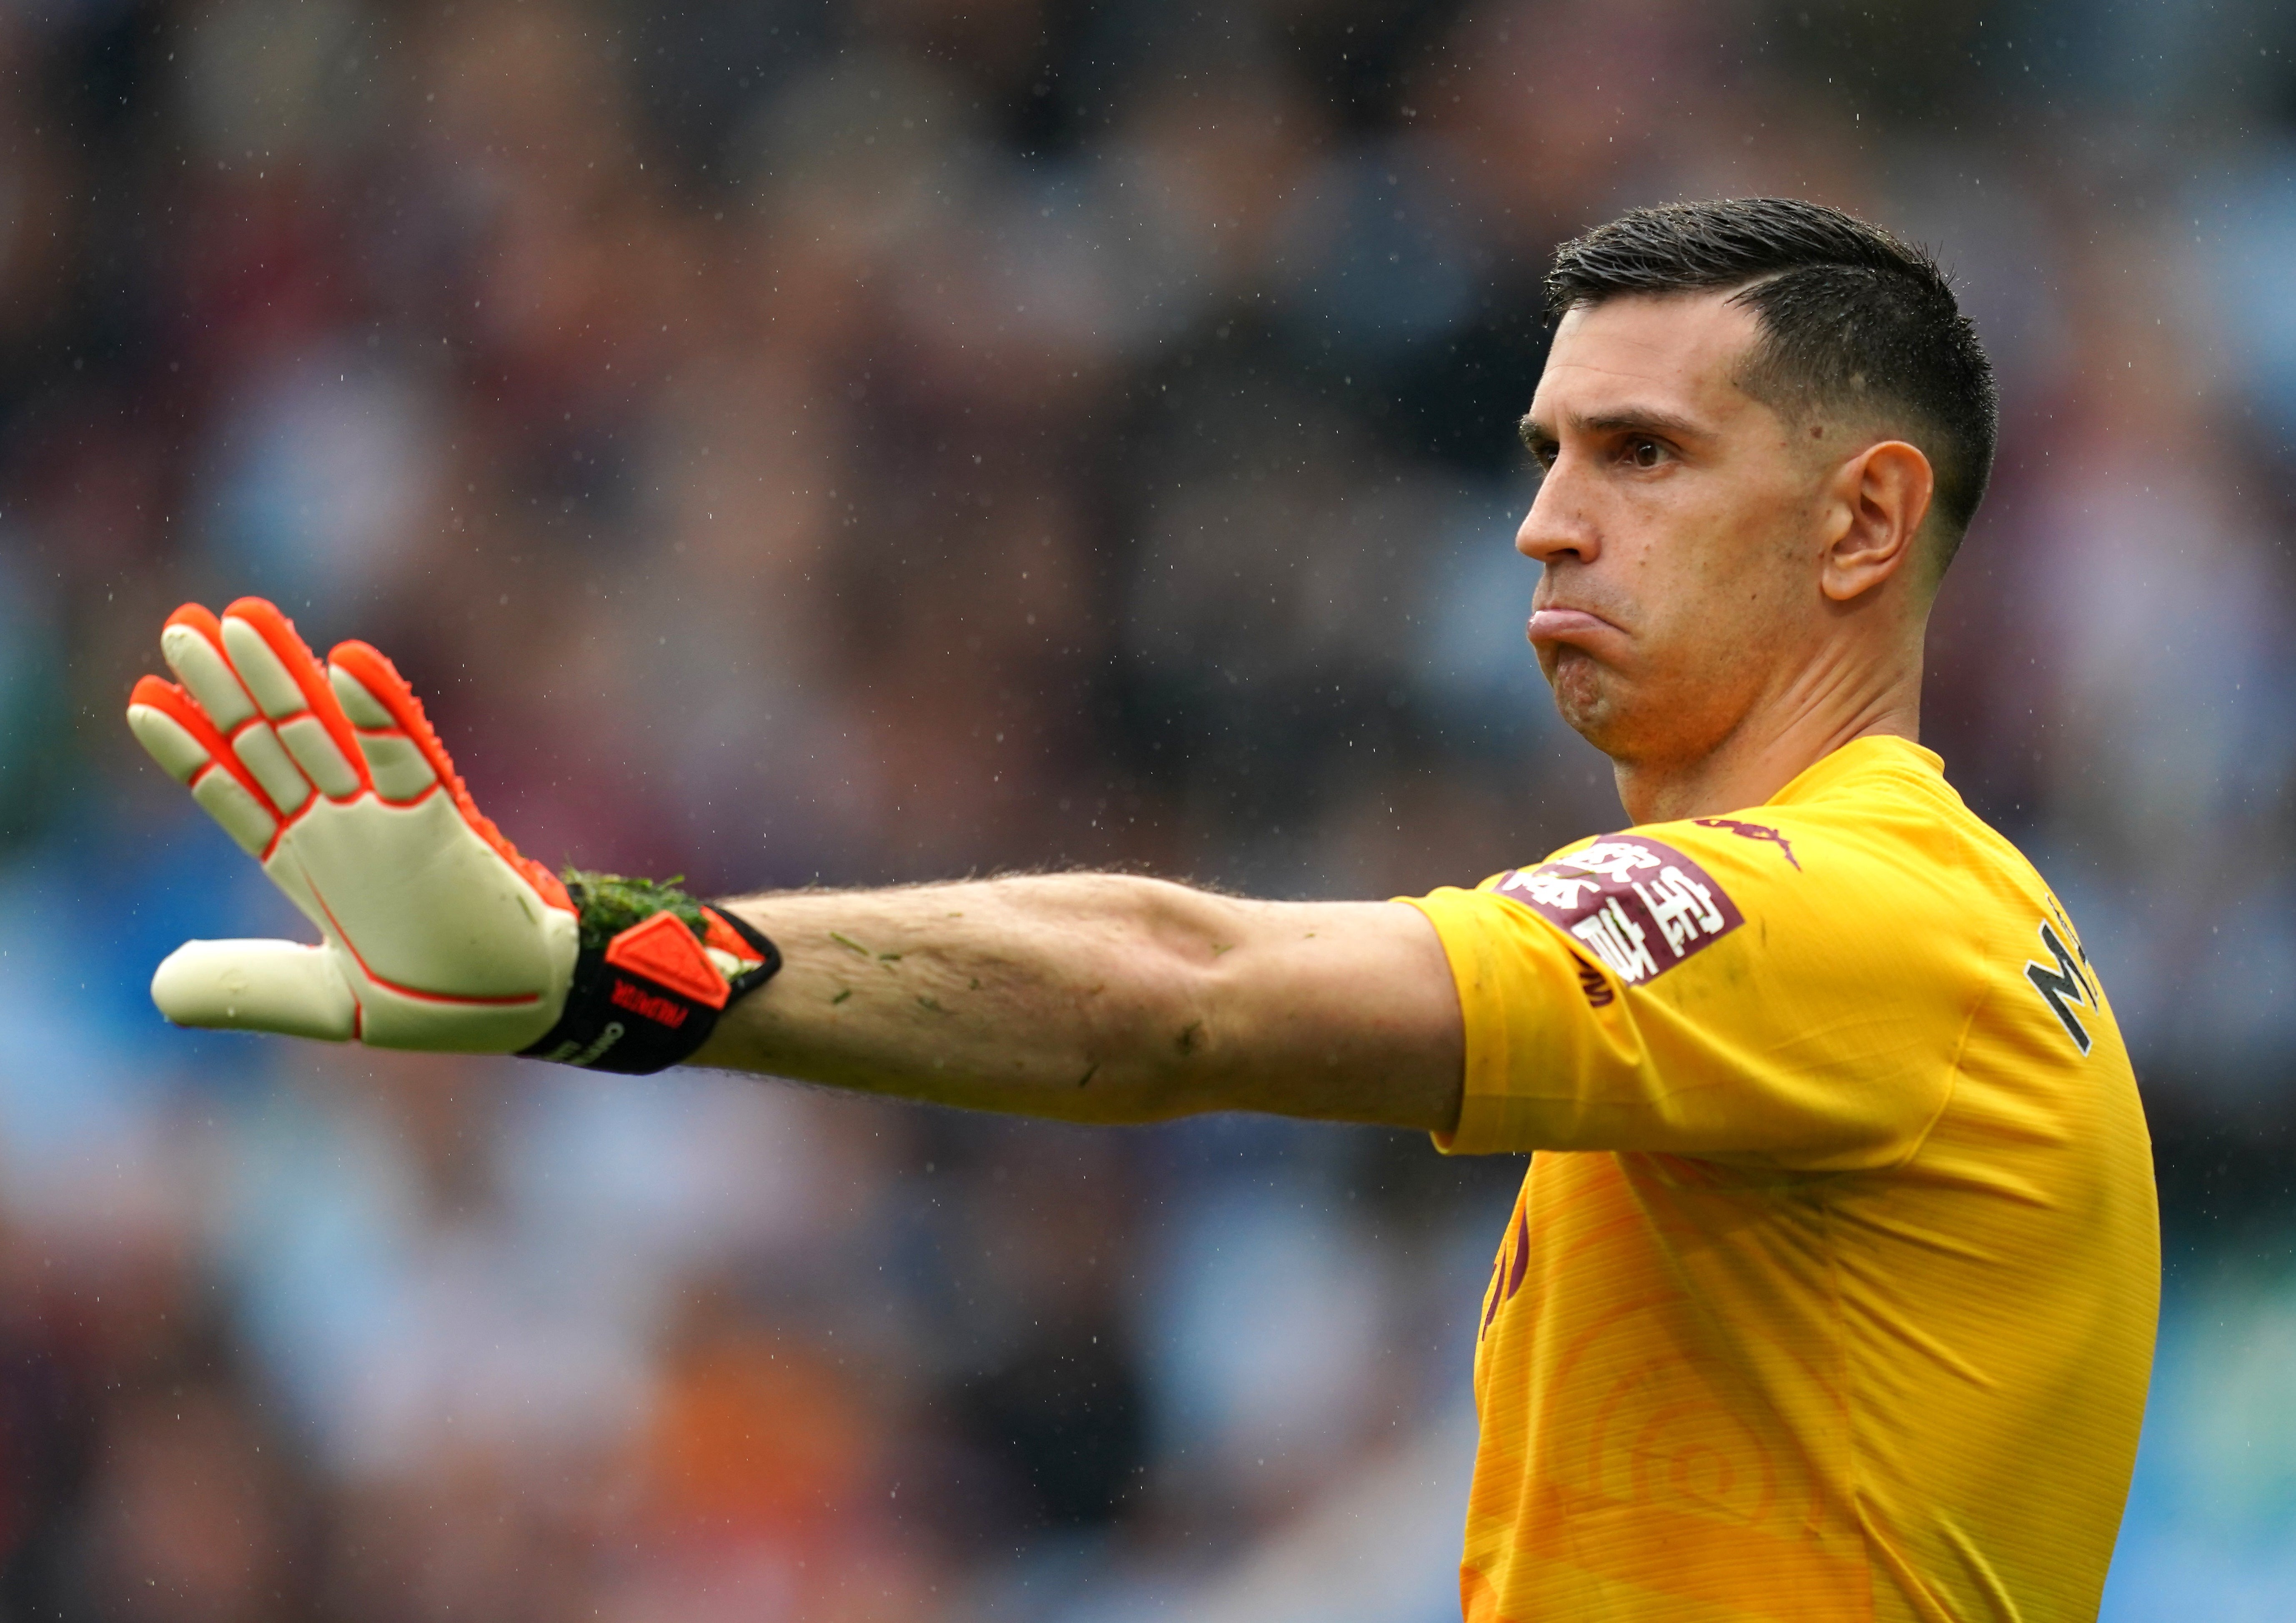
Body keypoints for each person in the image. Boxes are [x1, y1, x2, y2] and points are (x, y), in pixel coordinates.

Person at [124, 198, 2156, 1621]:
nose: (1543, 514)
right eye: (1546, 449)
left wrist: (613, 962)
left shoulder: (1866, 914)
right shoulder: (1867, 944)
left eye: (1642, 451)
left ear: (1866, 520)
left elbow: (1187, 995)